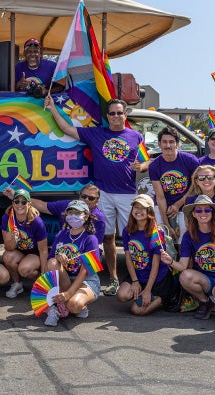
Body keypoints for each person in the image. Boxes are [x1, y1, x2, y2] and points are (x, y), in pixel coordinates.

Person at [45, 95, 146, 294]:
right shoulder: (96, 133)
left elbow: (145, 160)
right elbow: (67, 130)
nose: (116, 116)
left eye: (119, 113)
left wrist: (141, 165)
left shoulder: (136, 136)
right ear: (107, 116)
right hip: (104, 194)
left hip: (128, 193)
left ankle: (137, 278)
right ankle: (114, 278)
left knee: (133, 237)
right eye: (112, 113)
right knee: (107, 237)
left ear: (125, 115)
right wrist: (53, 109)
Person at [160, 195, 215, 321]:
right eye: (199, 210)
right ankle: (206, 302)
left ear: (213, 213)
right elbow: (182, 266)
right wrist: (170, 261)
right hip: (206, 279)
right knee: (184, 276)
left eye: (207, 210)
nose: (203, 213)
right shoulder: (189, 236)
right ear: (194, 214)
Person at [44, 200, 102, 326]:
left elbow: (85, 270)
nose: (72, 216)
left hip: (87, 280)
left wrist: (68, 293)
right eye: (70, 212)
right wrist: (58, 257)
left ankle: (72, 305)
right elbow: (50, 261)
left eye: (77, 213)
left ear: (86, 216)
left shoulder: (91, 238)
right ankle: (60, 304)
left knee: (74, 306)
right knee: (53, 262)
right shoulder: (61, 234)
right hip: (66, 278)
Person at [115, 194, 172, 316]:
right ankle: (142, 293)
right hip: (139, 274)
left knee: (137, 310)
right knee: (121, 296)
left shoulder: (156, 232)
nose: (138, 211)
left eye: (143, 208)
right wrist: (135, 281)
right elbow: (128, 258)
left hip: (156, 278)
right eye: (136, 207)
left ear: (150, 211)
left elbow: (156, 265)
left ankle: (163, 297)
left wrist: (147, 290)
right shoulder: (127, 231)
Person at [149, 126, 199, 236]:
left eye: (171, 142)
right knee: (161, 233)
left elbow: (195, 186)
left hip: (186, 203)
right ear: (159, 144)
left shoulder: (191, 160)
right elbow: (160, 197)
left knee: (184, 232)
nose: (168, 145)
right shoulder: (154, 166)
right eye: (164, 142)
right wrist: (167, 225)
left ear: (177, 144)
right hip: (164, 205)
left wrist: (177, 205)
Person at [1, 189, 49, 299]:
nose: (20, 204)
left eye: (23, 202)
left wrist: (44, 275)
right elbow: (9, 247)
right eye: (16, 201)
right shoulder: (8, 218)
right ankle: (17, 284)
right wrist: (14, 238)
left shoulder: (36, 221)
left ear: (29, 204)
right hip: (20, 251)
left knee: (24, 269)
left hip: (34, 252)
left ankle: (41, 284)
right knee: (7, 256)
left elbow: (43, 250)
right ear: (12, 203)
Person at [18, 184, 107, 242]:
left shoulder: (98, 217)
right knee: (52, 263)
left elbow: (96, 244)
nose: (86, 199)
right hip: (65, 248)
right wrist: (19, 198)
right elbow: (42, 206)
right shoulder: (60, 235)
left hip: (87, 252)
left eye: (91, 198)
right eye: (84, 196)